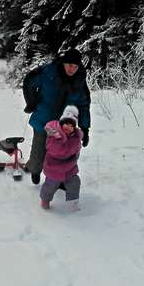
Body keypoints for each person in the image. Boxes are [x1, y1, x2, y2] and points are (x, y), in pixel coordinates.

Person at [22, 48, 90, 184]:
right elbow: (29, 82)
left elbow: (84, 104)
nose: (72, 69)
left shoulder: (79, 81)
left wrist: (85, 127)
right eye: (70, 65)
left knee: (61, 155)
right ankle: (34, 169)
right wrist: (31, 102)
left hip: (63, 126)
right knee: (38, 152)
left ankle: (58, 180)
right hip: (43, 119)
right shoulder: (48, 71)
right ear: (64, 63)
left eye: (76, 66)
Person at [40, 105, 83, 210]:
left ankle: (73, 202)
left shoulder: (75, 138)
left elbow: (77, 149)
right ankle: (45, 200)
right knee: (50, 186)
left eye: (71, 125)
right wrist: (60, 139)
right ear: (61, 124)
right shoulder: (53, 136)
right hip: (54, 167)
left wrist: (76, 156)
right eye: (66, 124)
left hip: (69, 168)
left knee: (75, 182)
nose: (68, 127)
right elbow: (53, 150)